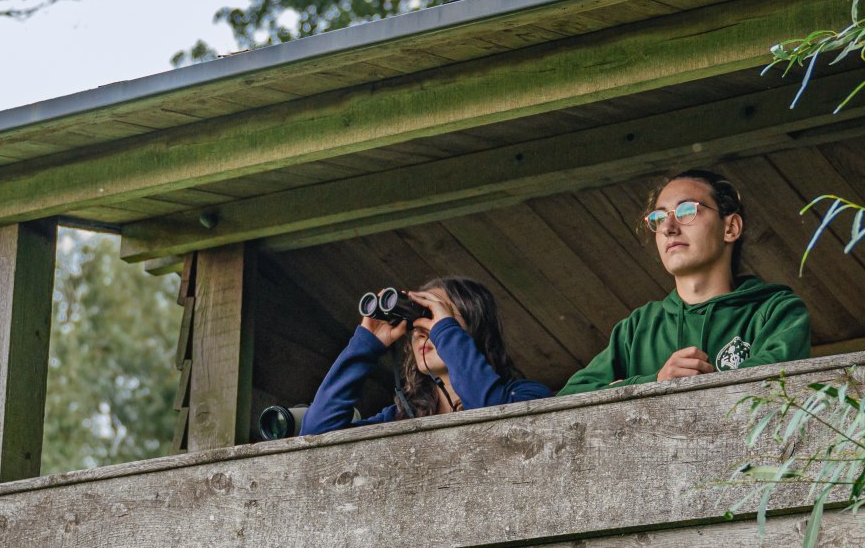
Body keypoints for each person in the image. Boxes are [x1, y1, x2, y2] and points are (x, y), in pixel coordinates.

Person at [559, 168, 811, 395]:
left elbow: (769, 392)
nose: (668, 227)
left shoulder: (778, 311)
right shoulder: (637, 328)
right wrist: (655, 382)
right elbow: (568, 399)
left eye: (687, 211)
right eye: (658, 218)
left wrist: (627, 386)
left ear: (730, 227)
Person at [303, 276, 552, 433]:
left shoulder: (527, 395)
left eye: (435, 318)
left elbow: (498, 422)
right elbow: (316, 434)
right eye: (417, 322)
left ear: (474, 329)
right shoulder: (400, 418)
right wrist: (365, 345)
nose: (422, 331)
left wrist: (445, 332)